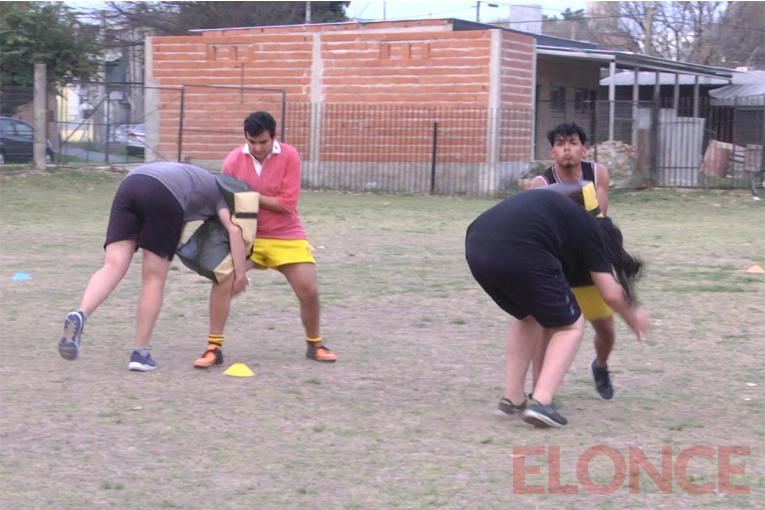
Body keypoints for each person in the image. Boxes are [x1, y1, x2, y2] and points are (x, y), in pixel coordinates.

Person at [465, 188, 650, 428]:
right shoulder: (591, 229)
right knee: (570, 325)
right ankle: (542, 402)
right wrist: (633, 317)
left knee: (526, 316)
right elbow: (610, 293)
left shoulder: (562, 216)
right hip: (521, 247)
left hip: (476, 244)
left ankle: (512, 400)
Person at [58, 162, 249, 371]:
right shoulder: (220, 194)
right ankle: (140, 354)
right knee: (153, 278)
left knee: (112, 266)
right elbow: (235, 231)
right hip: (163, 194)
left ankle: (81, 313)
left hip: (130, 184)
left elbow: (177, 223)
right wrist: (240, 275)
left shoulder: (196, 177)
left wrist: (178, 246)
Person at [193, 110, 336, 368]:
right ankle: (214, 347)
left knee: (309, 289)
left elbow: (286, 204)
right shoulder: (234, 160)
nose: (258, 148)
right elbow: (225, 201)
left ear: (274, 137)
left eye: (263, 142)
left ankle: (315, 344)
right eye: (252, 142)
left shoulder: (290, 156)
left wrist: (247, 195)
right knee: (222, 279)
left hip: (286, 234)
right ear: (246, 138)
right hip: (248, 237)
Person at [529, 122, 617, 400]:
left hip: (590, 260)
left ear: (584, 148)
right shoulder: (540, 184)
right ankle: (541, 391)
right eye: (561, 143)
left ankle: (600, 365)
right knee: (548, 327)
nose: (567, 148)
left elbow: (598, 219)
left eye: (573, 142)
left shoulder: (597, 174)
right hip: (558, 263)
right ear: (551, 151)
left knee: (605, 329)